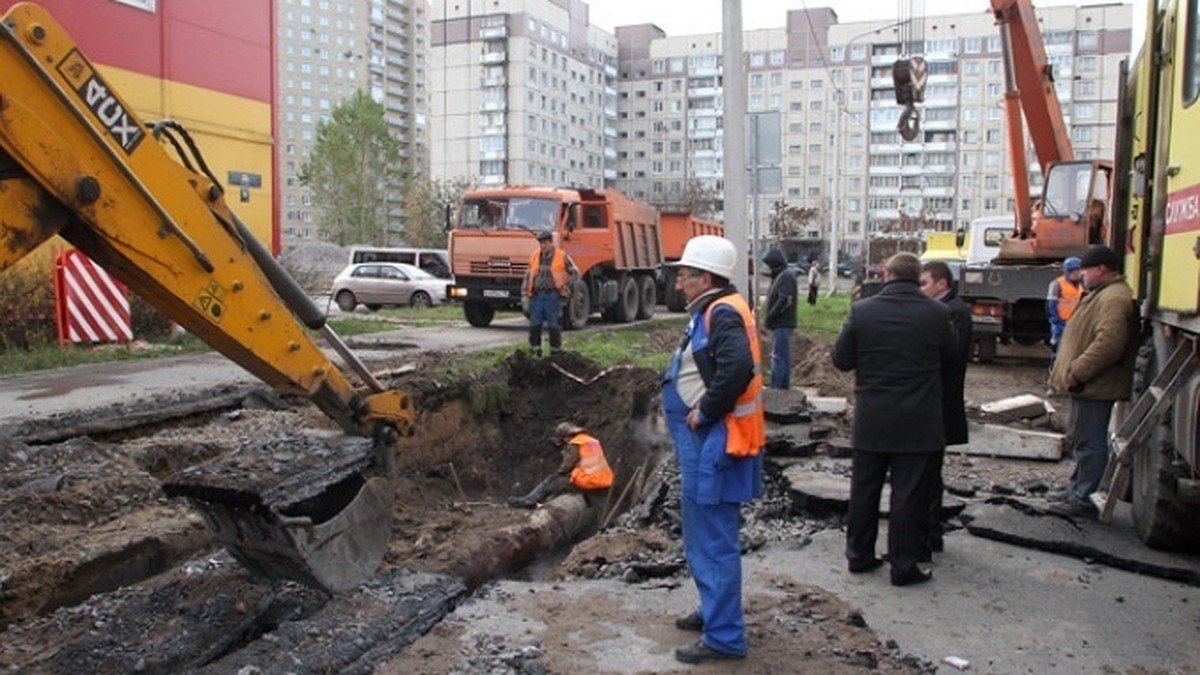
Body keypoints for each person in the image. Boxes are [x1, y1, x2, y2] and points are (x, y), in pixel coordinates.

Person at [661, 235, 764, 665]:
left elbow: (736, 368)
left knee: (713, 536)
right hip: (710, 439)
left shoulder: (721, 312)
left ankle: (724, 637)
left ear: (705, 277)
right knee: (702, 531)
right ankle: (713, 611)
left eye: (684, 275)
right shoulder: (716, 307)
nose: (679, 282)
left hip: (717, 438)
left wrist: (704, 411)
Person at [833, 253, 955, 587]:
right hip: (918, 420)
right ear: (918, 278)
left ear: (886, 275)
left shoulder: (862, 311)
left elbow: (841, 359)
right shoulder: (938, 313)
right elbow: (950, 354)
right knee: (908, 495)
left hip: (873, 417)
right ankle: (903, 566)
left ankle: (859, 556)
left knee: (864, 489)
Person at [1048, 244, 1137, 519]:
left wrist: (1078, 371)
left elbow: (1108, 344)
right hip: (1086, 386)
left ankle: (1083, 499)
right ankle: (1076, 489)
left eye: (1085, 270)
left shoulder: (1113, 298)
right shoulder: (1103, 293)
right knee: (1082, 438)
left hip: (1093, 385)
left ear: (1101, 269)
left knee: (1091, 442)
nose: (1081, 276)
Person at [919, 260, 973, 557]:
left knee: (929, 474)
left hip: (940, 403)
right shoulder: (948, 310)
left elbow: (949, 356)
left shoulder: (954, 312)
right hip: (936, 402)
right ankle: (930, 530)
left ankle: (931, 532)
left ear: (942, 284)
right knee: (927, 473)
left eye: (925, 283)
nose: (921, 289)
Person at [507, 422, 613, 509]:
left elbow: (567, 465)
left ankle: (529, 500)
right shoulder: (592, 441)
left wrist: (560, 472)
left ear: (566, 437)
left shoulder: (575, 443)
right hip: (604, 480)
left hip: (589, 481)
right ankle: (540, 502)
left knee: (551, 481)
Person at [523, 231, 578, 357]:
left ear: (551, 242)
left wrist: (568, 288)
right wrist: (524, 294)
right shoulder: (535, 256)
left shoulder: (561, 256)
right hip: (536, 296)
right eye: (541, 243)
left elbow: (575, 272)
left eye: (545, 243)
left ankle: (555, 353)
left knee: (554, 326)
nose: (543, 246)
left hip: (553, 296)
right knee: (534, 326)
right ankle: (535, 351)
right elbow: (528, 275)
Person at [763, 249, 797, 389]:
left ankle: (777, 388)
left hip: (782, 323)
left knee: (779, 357)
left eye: (769, 265)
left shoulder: (785, 277)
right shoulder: (781, 276)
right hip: (780, 323)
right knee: (781, 356)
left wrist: (771, 315)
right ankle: (781, 387)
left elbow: (784, 300)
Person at [1047, 256, 1084, 355]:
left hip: (1078, 322)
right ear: (1067, 272)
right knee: (1059, 349)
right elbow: (1051, 304)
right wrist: (1057, 321)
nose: (1076, 274)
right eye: (1073, 271)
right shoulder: (1057, 284)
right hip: (1061, 323)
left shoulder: (1083, 284)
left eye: (1078, 270)